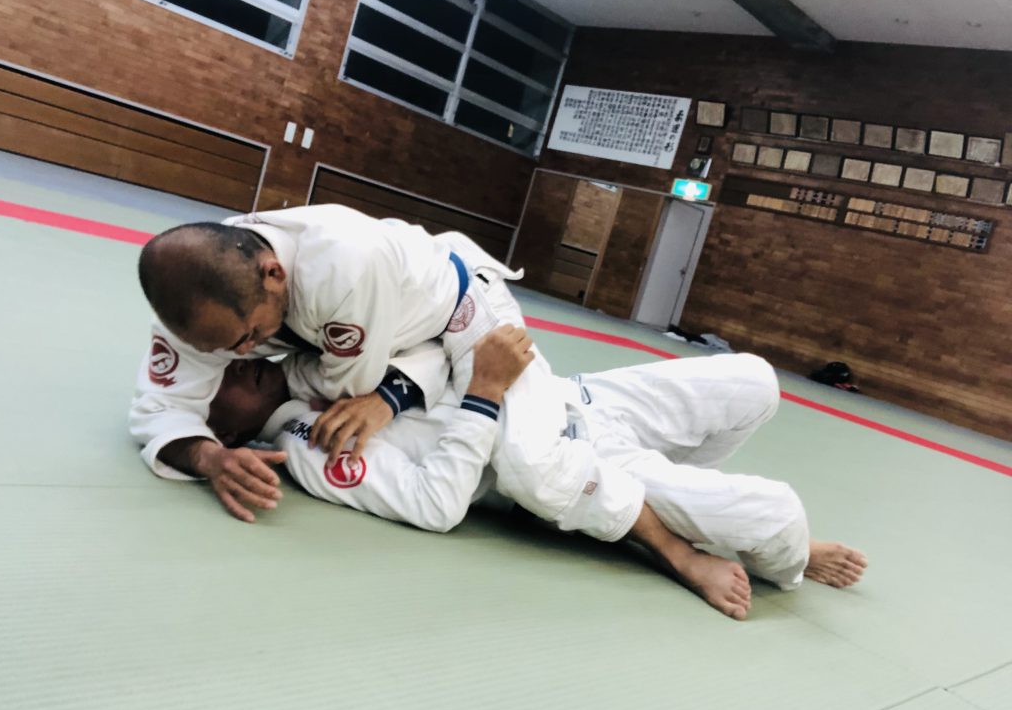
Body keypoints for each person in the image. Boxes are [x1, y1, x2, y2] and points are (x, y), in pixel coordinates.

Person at [205, 329, 868, 620]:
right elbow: (437, 502)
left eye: (230, 361)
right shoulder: (305, 444)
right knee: (777, 515)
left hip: (575, 395)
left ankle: (679, 500)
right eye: (221, 389)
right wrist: (485, 392)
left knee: (755, 380)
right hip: (558, 451)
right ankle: (779, 555)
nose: (238, 369)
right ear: (230, 434)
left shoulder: (313, 358)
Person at [131, 206, 678, 550]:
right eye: (225, 349)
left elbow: (374, 376)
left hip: (461, 307)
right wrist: (209, 457)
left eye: (249, 335)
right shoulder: (200, 311)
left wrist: (388, 398)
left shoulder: (342, 268)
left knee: (532, 463)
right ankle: (621, 458)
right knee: (546, 452)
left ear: (273, 274)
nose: (244, 355)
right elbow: (156, 409)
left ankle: (675, 553)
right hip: (405, 328)